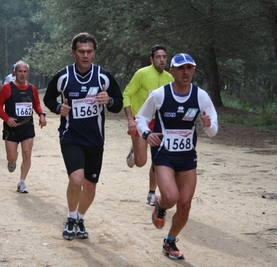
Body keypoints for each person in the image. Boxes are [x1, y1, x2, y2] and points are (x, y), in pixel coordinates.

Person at [136, 53, 218, 260]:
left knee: (185, 205)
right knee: (171, 198)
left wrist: (208, 125)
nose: (185, 72)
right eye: (181, 68)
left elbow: (213, 130)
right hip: (164, 155)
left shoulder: (201, 96)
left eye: (189, 68)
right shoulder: (159, 95)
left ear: (194, 71)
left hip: (187, 157)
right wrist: (147, 134)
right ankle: (161, 204)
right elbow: (141, 118)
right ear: (172, 71)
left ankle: (170, 241)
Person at [43, 32, 123, 240]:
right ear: (73, 52)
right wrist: (58, 107)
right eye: (81, 52)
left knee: (89, 186)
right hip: (71, 137)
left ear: (94, 52)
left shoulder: (103, 76)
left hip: (95, 140)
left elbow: (119, 102)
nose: (85, 56)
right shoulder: (64, 76)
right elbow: (49, 98)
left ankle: (80, 217)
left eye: (89, 52)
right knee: (76, 180)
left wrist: (110, 101)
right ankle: (70, 217)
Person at [123, 45, 174, 206]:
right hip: (141, 120)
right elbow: (127, 94)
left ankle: (152, 193)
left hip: (159, 123)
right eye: (158, 57)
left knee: (158, 159)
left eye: (164, 57)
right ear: (152, 59)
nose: (162, 60)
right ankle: (134, 153)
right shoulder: (142, 74)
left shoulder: (170, 78)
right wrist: (131, 119)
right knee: (141, 162)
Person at [0, 60, 47, 193]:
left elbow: (36, 104)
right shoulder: (7, 88)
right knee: (11, 157)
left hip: (27, 127)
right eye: (20, 71)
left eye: (25, 72)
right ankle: (12, 160)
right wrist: (7, 118)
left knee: (27, 153)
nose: (22, 74)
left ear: (28, 73)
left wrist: (41, 114)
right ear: (15, 72)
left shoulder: (32, 88)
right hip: (11, 128)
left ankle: (22, 182)